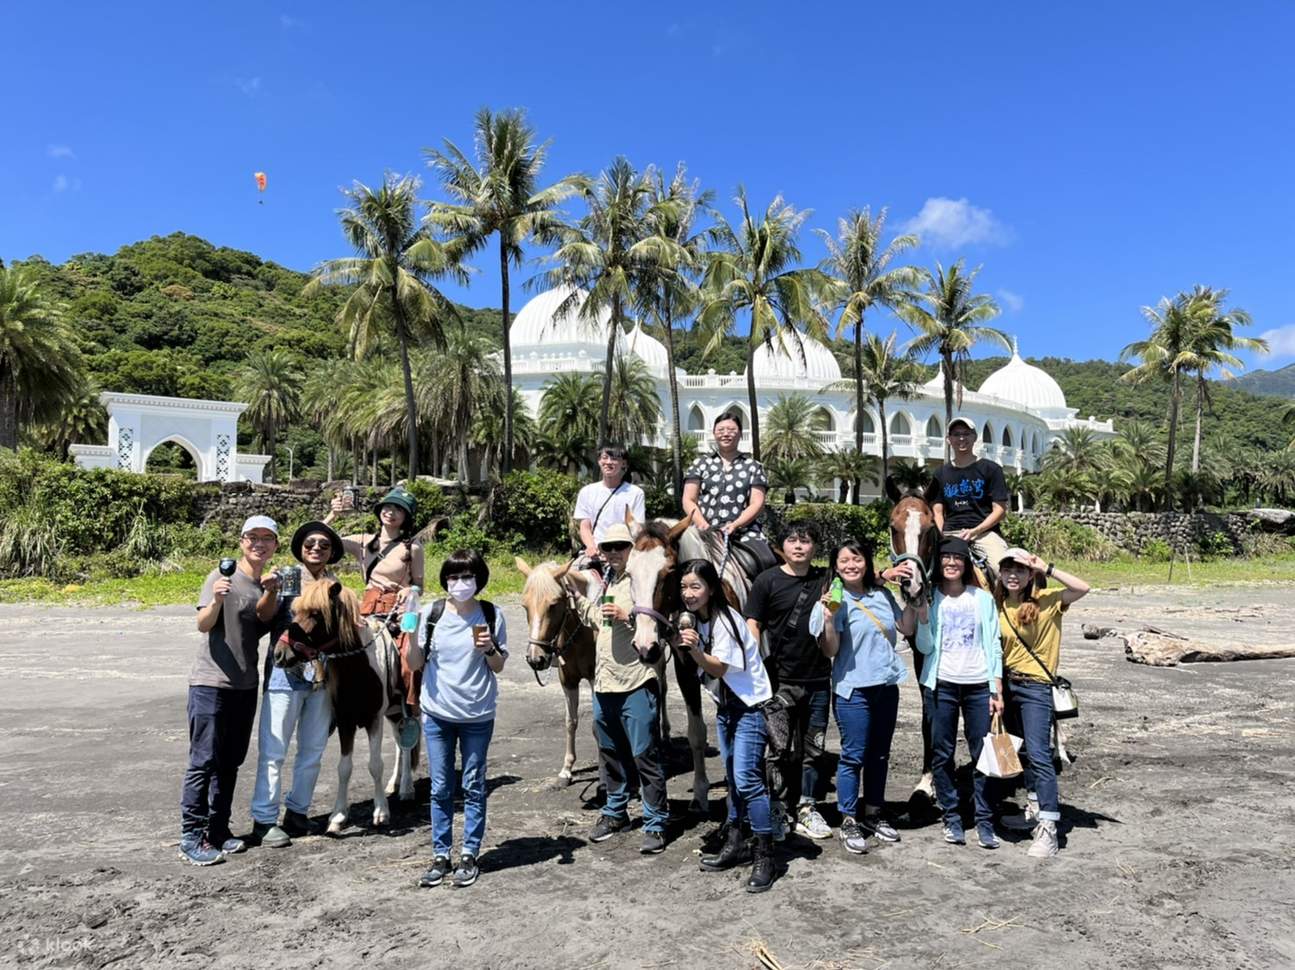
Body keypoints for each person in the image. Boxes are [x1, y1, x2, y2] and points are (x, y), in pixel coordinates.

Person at [179, 516, 284, 865]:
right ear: (241, 541)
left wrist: (271, 591)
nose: (259, 544)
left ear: (275, 546)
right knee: (202, 761)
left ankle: (219, 830)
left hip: (244, 684)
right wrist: (217, 601)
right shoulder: (220, 577)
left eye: (267, 538)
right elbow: (202, 624)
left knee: (230, 763)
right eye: (253, 537)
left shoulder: (265, 584)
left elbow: (265, 620)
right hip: (210, 682)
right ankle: (191, 837)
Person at [678, 560, 776, 893]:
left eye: (695, 587)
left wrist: (693, 651)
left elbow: (718, 668)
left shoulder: (726, 621)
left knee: (748, 780)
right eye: (684, 587)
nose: (688, 594)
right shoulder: (700, 620)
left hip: (750, 706)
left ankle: (765, 854)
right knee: (734, 779)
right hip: (727, 706)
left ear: (711, 589)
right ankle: (736, 842)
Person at [572, 523, 669, 855]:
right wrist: (576, 595)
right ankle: (616, 812)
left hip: (636, 681)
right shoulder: (607, 582)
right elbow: (597, 620)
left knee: (645, 755)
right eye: (607, 548)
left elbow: (658, 623)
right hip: (605, 682)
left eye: (620, 547)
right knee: (610, 753)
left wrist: (629, 616)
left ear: (632, 549)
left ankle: (655, 821)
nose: (613, 553)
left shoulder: (643, 581)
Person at [248, 521, 344, 850]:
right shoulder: (286, 576)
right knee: (274, 750)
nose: (316, 548)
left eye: (324, 545)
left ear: (332, 552)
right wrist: (271, 590)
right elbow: (265, 617)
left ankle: (298, 811)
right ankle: (263, 819)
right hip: (283, 673)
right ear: (300, 547)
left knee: (313, 750)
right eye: (310, 543)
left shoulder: (335, 585)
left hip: (322, 675)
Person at [905, 536, 1004, 849]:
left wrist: (996, 686)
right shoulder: (932, 598)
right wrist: (922, 616)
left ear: (965, 563)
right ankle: (951, 816)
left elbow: (993, 645)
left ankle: (984, 820)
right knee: (942, 753)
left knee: (982, 753)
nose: (950, 563)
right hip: (942, 685)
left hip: (978, 685)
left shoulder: (983, 599)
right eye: (946, 557)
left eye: (956, 558)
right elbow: (924, 647)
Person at [417, 549, 508, 890]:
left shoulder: (491, 614)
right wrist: (411, 633)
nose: (459, 583)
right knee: (440, 787)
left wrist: (488, 649)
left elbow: (499, 666)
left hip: (477, 714)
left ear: (478, 579)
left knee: (473, 785)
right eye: (453, 577)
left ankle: (469, 853)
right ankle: (441, 855)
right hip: (437, 713)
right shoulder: (432, 613)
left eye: (466, 577)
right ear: (445, 581)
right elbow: (414, 664)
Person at [819, 538, 914, 855]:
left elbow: (907, 628)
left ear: (867, 563)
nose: (850, 565)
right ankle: (848, 818)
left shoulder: (882, 595)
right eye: (844, 560)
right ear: (835, 565)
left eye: (856, 559)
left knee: (880, 754)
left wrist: (916, 597)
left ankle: (873, 812)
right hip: (852, 689)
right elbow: (829, 650)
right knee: (853, 755)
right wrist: (829, 620)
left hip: (886, 686)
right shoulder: (833, 598)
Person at [994, 547, 1089, 858]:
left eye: (1020, 569)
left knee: (1039, 754)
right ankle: (1033, 808)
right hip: (1007, 686)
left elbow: (1083, 588)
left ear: (1030, 575)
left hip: (1036, 688)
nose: (1013, 574)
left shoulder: (1048, 602)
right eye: (1007, 568)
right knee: (1017, 751)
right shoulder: (997, 604)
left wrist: (1046, 567)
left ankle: (1049, 829)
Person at [744, 521, 832, 841]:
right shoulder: (766, 581)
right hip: (779, 680)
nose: (798, 546)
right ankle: (779, 807)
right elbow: (753, 622)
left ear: (815, 547)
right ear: (781, 545)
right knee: (777, 749)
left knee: (814, 748)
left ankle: (807, 807)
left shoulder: (825, 579)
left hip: (819, 678)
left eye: (806, 540)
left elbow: (858, 578)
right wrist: (753, 666)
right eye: (792, 540)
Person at [680, 410, 770, 602]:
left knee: (767, 561)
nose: (726, 433)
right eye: (721, 429)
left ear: (740, 433)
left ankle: (762, 614)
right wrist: (702, 524)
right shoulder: (700, 464)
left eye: (731, 429)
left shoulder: (753, 466)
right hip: (703, 530)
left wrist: (735, 524)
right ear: (714, 433)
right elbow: (688, 499)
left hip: (742, 532)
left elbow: (757, 502)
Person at [326, 485, 425, 620]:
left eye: (398, 509)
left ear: (406, 517)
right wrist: (333, 515)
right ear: (380, 510)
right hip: (368, 608)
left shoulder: (412, 547)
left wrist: (410, 590)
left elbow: (419, 587)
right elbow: (318, 540)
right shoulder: (362, 541)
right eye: (388, 507)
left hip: (398, 611)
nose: (391, 512)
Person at [931, 416, 1011, 580]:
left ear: (975, 437)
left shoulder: (991, 469)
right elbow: (937, 512)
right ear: (948, 439)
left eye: (966, 434)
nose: (961, 438)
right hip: (949, 532)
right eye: (956, 434)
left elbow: (1000, 510)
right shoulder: (940, 474)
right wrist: (942, 537)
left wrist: (975, 531)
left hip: (984, 534)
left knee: (1002, 571)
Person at [574, 444, 646, 567]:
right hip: (596, 553)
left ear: (624, 464)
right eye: (605, 457)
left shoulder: (636, 493)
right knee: (570, 578)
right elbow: (585, 526)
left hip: (624, 553)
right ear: (599, 461)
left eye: (614, 459)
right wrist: (591, 547)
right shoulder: (587, 491)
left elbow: (637, 529)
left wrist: (624, 552)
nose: (608, 462)